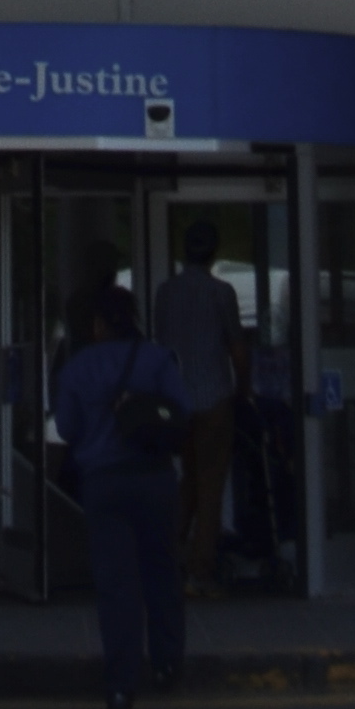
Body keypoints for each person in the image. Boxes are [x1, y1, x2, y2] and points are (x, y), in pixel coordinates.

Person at [52, 280, 185, 709]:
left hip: (104, 483)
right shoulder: (157, 358)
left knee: (116, 585)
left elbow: (67, 428)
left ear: (97, 324)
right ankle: (167, 664)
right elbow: (181, 413)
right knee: (161, 573)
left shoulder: (78, 367)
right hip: (155, 478)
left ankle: (121, 685)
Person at [150, 214, 252, 592]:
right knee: (210, 485)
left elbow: (162, 344)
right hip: (213, 398)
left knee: (187, 480)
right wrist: (244, 389)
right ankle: (200, 569)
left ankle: (166, 557)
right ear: (213, 253)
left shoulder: (165, 293)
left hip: (176, 401)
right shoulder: (221, 292)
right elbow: (237, 348)